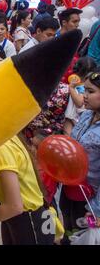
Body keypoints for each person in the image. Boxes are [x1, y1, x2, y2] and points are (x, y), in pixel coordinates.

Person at [0, 134, 55, 245]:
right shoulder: (11, 137)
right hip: (26, 217)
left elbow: (14, 207)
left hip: (28, 221)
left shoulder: (1, 149)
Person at [61, 70, 100, 241]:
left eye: (91, 92)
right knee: (69, 231)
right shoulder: (86, 116)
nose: (84, 95)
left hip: (90, 201)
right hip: (71, 189)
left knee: (84, 235)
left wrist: (97, 211)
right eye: (85, 90)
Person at [64, 57, 97, 135]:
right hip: (71, 116)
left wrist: (71, 88)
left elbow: (79, 103)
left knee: (69, 134)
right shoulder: (79, 84)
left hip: (78, 117)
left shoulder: (83, 87)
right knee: (68, 132)